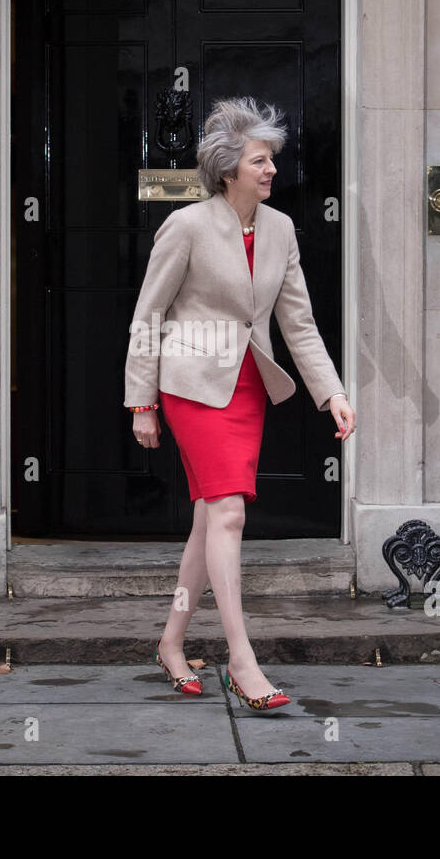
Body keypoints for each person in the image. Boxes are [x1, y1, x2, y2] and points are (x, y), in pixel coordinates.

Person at [123, 95, 357, 710]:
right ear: (229, 170)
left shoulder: (280, 230)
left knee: (208, 522)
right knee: (228, 512)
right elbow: (147, 315)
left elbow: (298, 323)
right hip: (192, 388)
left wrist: (330, 392)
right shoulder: (188, 226)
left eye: (271, 160)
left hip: (247, 389)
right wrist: (140, 401)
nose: (271, 170)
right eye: (260, 160)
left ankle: (172, 640)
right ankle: (241, 656)